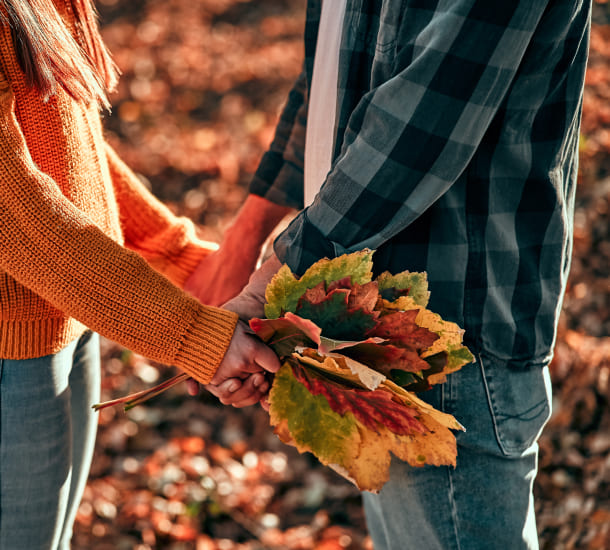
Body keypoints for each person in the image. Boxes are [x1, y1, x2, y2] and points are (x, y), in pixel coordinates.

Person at [0, 0, 279, 548]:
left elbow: (63, 145)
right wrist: (194, 336)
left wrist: (180, 259)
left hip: (65, 325)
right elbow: (13, 207)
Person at [186, 1, 592, 549]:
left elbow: (428, 112)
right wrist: (249, 235)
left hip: (447, 341)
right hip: (355, 322)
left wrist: (266, 283)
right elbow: (332, 75)